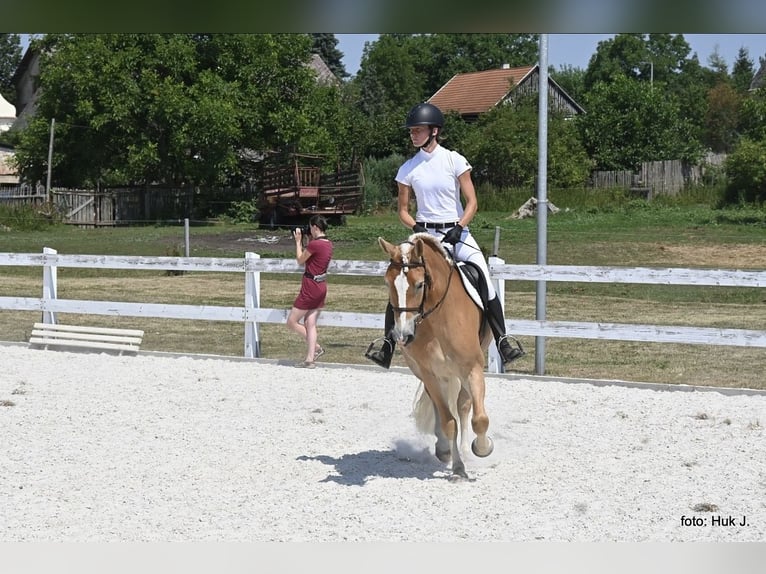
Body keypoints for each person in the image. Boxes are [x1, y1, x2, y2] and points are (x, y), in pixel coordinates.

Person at [365, 102, 524, 369]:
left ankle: (503, 340)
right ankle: (388, 344)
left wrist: (460, 227)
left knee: (484, 278)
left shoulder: (455, 160)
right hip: (424, 236)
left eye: (417, 130)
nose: (413, 134)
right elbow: (402, 211)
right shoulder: (408, 168)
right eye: (411, 131)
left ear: (434, 131)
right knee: (402, 281)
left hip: (456, 232)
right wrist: (417, 229)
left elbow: (472, 202)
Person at [286, 215, 333, 368]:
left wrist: (298, 242)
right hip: (321, 286)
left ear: (314, 227)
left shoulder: (315, 245)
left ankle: (316, 347)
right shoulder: (328, 244)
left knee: (292, 322)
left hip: (310, 286)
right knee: (310, 323)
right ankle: (309, 359)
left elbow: (300, 260)